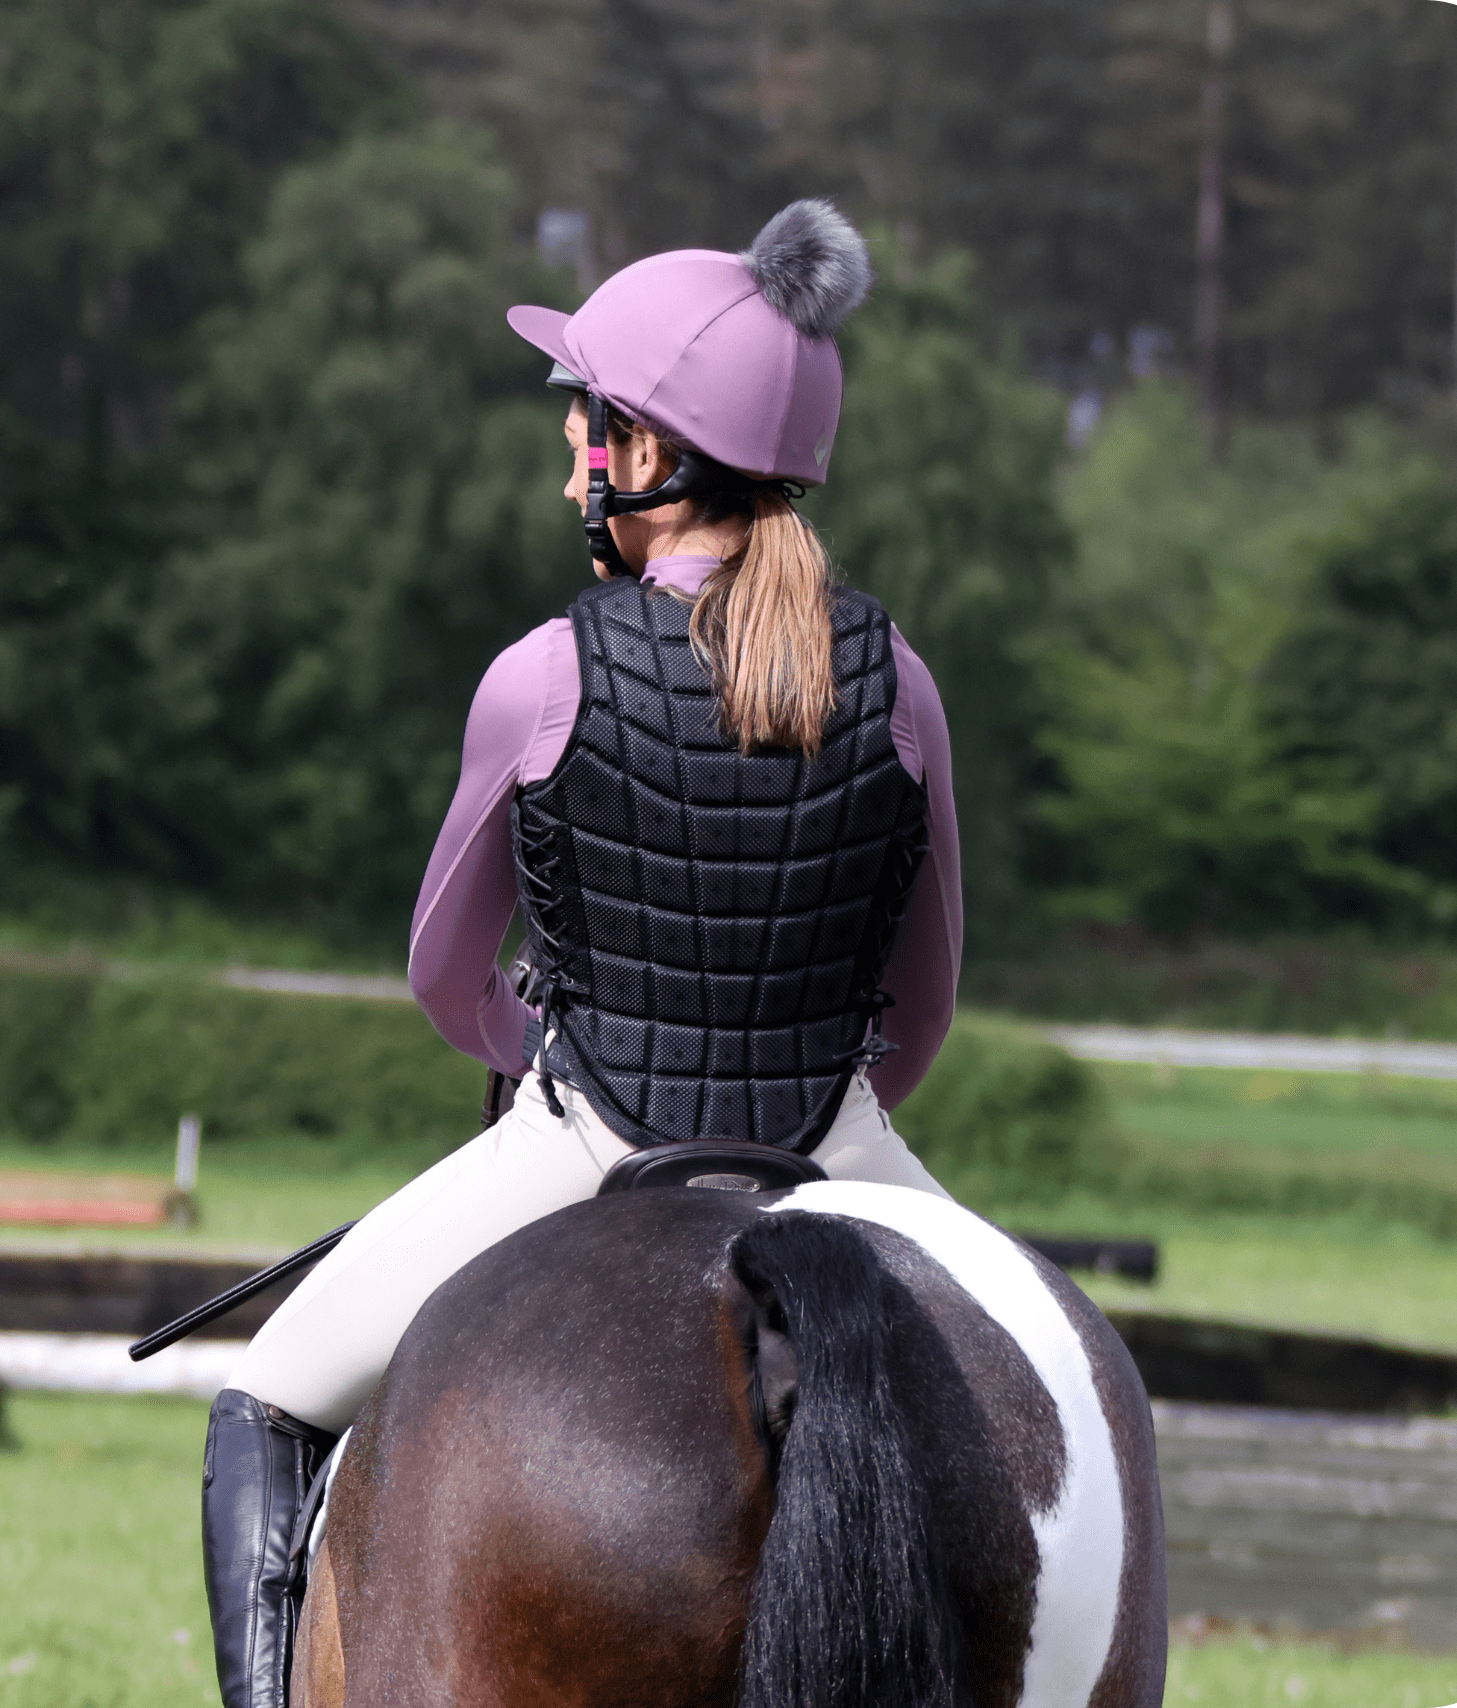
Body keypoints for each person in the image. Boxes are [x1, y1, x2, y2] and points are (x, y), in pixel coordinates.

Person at [197, 198, 964, 1708]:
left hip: (592, 1128)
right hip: (835, 1143)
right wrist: (826, 1111)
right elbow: (923, 1004)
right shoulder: (904, 683)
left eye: (585, 426)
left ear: (653, 458)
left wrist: (532, 1056)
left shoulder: (539, 677)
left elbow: (443, 976)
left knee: (265, 1399)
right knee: (1073, 1401)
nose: (569, 454)